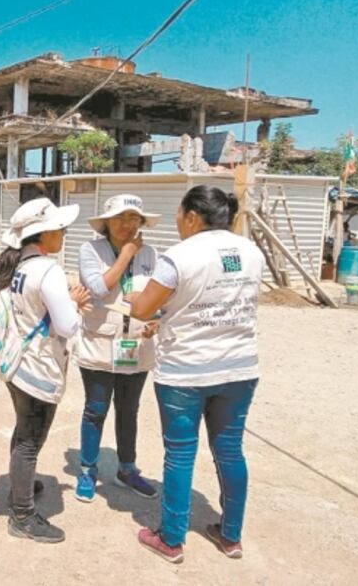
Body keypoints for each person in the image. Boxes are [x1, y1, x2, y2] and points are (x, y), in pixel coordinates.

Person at [128, 186, 264, 564]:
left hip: (185, 372)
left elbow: (143, 310)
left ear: (191, 217)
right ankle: (231, 535)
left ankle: (171, 539)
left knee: (180, 454)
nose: (177, 224)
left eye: (178, 217)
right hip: (239, 367)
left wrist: (135, 300)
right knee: (230, 451)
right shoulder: (251, 252)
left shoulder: (179, 256)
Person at [0, 197, 90, 544]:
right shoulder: (48, 270)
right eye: (59, 228)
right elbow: (66, 326)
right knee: (30, 441)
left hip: (19, 366)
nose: (63, 232)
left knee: (23, 433)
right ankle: (22, 514)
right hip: (39, 368)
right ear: (44, 234)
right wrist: (75, 304)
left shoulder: (18, 267)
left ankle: (21, 485)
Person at [73, 194, 161, 503]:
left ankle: (127, 468)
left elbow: (156, 295)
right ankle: (87, 470)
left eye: (134, 218)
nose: (128, 224)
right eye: (121, 218)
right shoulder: (90, 250)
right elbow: (98, 288)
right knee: (95, 410)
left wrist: (156, 320)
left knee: (129, 410)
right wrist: (125, 256)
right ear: (106, 223)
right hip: (100, 343)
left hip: (135, 345)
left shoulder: (151, 253)